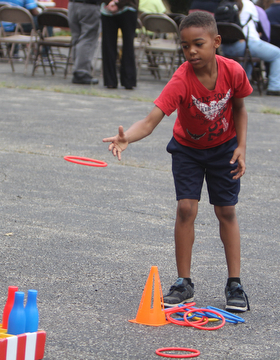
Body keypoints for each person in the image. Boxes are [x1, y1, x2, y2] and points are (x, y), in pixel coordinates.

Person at [103, 11, 252, 312]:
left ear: (216, 42)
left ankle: (234, 283)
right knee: (186, 208)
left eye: (198, 44)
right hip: (188, 149)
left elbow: (239, 108)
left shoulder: (233, 71)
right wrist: (126, 138)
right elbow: (151, 120)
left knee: (226, 211)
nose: (191, 51)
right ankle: (184, 283)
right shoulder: (181, 79)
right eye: (185, 46)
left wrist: (241, 147)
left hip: (224, 148)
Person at [220, 0, 280, 96]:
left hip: (225, 46)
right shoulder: (249, 5)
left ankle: (241, 85)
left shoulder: (225, 4)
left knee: (252, 57)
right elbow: (264, 28)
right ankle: (275, 87)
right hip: (245, 43)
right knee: (277, 53)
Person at [101, 0, 139, 89]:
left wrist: (111, 3)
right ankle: (128, 81)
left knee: (108, 46)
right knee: (128, 45)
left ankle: (110, 81)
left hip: (109, 9)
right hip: (127, 7)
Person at [69, 0, 102, 85]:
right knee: (88, 39)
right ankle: (82, 72)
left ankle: (77, 69)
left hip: (73, 5)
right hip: (89, 6)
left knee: (77, 38)